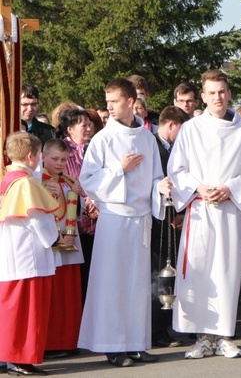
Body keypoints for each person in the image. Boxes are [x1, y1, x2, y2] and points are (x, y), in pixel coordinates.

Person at [77, 78, 171, 368]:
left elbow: (155, 176)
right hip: (116, 218)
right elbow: (88, 181)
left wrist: (161, 186)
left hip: (140, 218)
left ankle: (136, 342)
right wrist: (120, 168)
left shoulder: (146, 137)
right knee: (113, 284)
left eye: (114, 101)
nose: (109, 107)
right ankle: (112, 345)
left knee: (138, 284)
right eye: (107, 102)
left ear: (131, 102)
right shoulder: (103, 139)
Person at [169, 69, 241, 359]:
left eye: (222, 91)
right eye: (211, 93)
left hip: (230, 209)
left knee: (227, 270)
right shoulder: (191, 128)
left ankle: (223, 335)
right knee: (198, 270)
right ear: (203, 97)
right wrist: (198, 187)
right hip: (200, 208)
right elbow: (177, 169)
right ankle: (202, 336)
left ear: (229, 93)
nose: (217, 97)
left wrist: (230, 188)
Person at [0, 132, 61, 377]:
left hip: (14, 252)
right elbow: (38, 217)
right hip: (28, 254)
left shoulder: (9, 177)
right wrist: (54, 237)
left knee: (12, 307)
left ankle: (9, 356)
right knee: (26, 309)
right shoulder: (25, 182)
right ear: (31, 155)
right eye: (38, 154)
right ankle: (19, 358)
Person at [41, 138, 85, 359]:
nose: (59, 164)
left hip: (71, 238)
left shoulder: (68, 180)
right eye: (54, 159)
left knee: (70, 291)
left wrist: (78, 192)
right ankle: (51, 342)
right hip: (53, 239)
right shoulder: (40, 180)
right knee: (55, 293)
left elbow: (79, 208)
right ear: (43, 157)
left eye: (63, 159)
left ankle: (69, 338)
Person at [151, 106, 190, 348]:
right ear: (172, 125)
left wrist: (180, 211)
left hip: (172, 218)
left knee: (169, 272)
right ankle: (157, 329)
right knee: (159, 273)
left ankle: (167, 324)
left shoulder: (172, 148)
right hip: (156, 221)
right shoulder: (153, 146)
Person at [56, 108, 96, 303]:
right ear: (70, 130)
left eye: (90, 125)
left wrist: (95, 198)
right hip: (73, 222)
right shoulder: (63, 152)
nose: (88, 129)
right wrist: (85, 198)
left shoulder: (96, 148)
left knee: (93, 272)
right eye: (83, 125)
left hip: (96, 220)